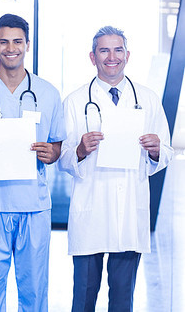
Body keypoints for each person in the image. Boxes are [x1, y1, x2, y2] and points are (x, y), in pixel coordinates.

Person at [58, 26, 173, 311]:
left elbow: (167, 151)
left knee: (123, 300)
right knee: (83, 298)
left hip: (129, 214)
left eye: (118, 49)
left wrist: (157, 149)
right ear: (92, 57)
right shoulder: (74, 102)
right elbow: (62, 158)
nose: (112, 57)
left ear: (128, 55)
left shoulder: (146, 99)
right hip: (91, 210)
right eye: (104, 50)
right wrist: (81, 150)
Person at [0, 14, 66, 311]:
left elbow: (58, 144)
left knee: (34, 292)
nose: (11, 48)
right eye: (4, 41)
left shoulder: (48, 93)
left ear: (27, 44)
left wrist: (51, 153)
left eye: (17, 41)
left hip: (34, 206)